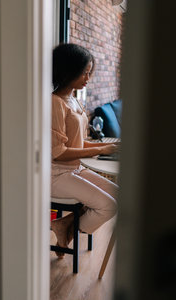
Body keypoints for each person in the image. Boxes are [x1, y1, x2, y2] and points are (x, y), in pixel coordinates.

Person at [50, 43, 119, 257]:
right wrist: (99, 149)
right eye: (84, 73)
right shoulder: (55, 103)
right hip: (56, 174)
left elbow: (79, 143)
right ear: (67, 70)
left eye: (89, 73)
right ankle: (68, 231)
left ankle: (65, 224)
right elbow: (58, 152)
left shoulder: (75, 100)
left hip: (75, 169)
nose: (87, 79)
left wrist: (104, 146)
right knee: (108, 205)